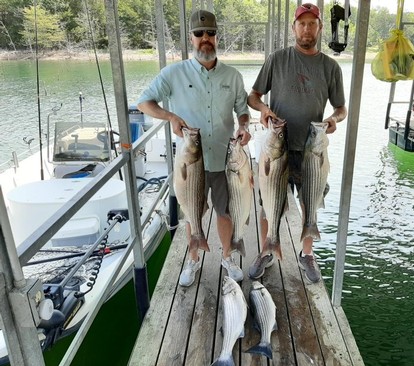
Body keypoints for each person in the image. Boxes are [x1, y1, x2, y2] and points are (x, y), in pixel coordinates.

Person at [137, 9, 251, 287]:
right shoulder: (173, 73)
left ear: (216, 36)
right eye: (199, 34)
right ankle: (193, 259)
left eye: (210, 33)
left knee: (226, 213)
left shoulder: (233, 76)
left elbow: (243, 110)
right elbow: (144, 102)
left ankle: (226, 257)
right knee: (192, 213)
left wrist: (244, 126)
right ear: (191, 38)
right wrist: (170, 117)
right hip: (191, 163)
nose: (205, 39)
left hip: (226, 161)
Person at [247, 3, 347, 283]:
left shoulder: (330, 67)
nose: (306, 29)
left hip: (311, 150)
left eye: (312, 23)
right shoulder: (277, 59)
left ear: (319, 27)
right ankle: (268, 248)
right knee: (269, 202)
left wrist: (333, 119)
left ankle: (307, 253)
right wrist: (264, 110)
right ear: (294, 28)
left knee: (310, 201)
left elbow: (341, 108)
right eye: (301, 24)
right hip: (276, 146)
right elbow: (253, 96)